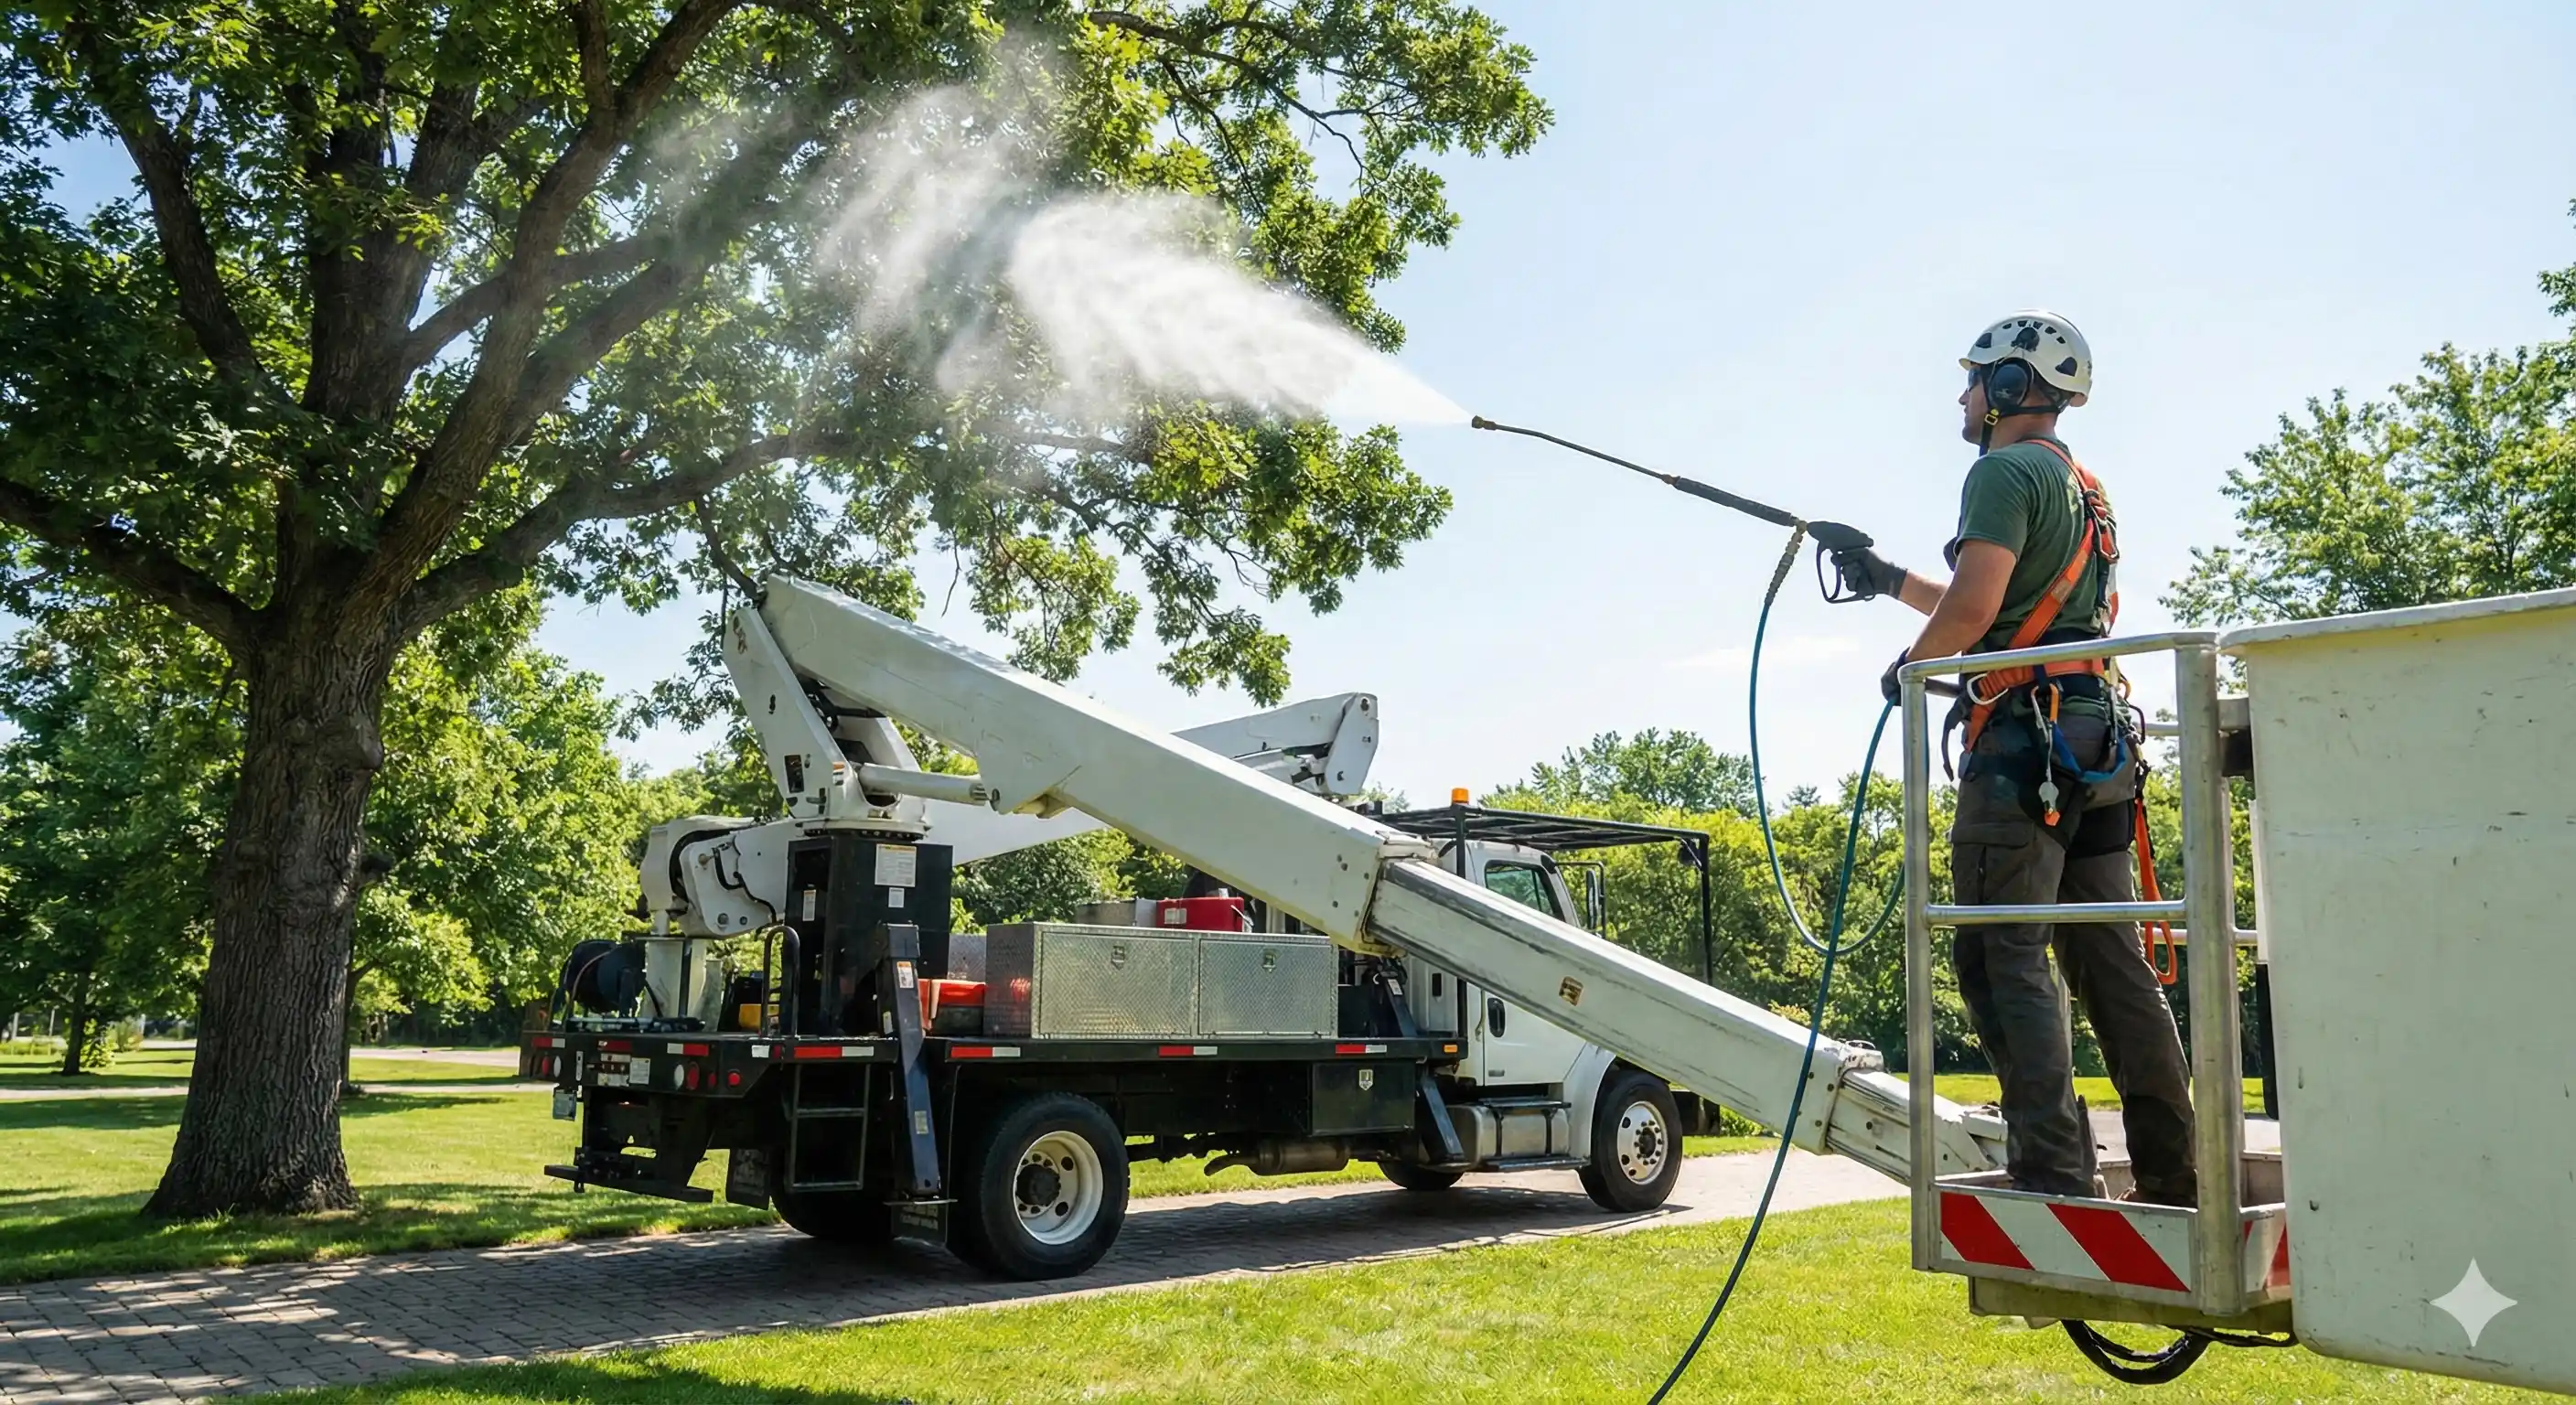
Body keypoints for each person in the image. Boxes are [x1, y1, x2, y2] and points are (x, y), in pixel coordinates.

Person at [1830, 311, 2197, 1205]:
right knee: (2110, 961)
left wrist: (1909, 669)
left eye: (1972, 379)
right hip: (2095, 735)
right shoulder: (2079, 483)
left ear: (2007, 389)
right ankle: (2174, 1172)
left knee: (2004, 956)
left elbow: (1968, 614)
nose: (1959, 396)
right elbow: (1996, 610)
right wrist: (1881, 578)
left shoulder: (1997, 470)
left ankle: (2053, 1172)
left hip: (2025, 749)